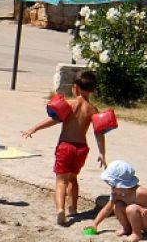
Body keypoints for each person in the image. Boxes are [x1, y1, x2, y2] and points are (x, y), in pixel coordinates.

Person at [21, 70, 108, 225]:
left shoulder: (69, 104)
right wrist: (102, 152)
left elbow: (53, 120)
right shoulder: (93, 110)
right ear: (93, 89)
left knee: (61, 181)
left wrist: (34, 128)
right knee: (73, 179)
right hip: (81, 149)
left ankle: (60, 209)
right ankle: (73, 208)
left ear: (75, 88)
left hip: (66, 147)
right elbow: (99, 132)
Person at [91, 160, 147, 242]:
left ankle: (137, 233)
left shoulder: (139, 192)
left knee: (131, 208)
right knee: (118, 205)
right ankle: (127, 228)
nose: (112, 189)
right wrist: (95, 224)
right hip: (133, 219)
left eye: (113, 185)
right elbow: (107, 209)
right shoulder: (116, 194)